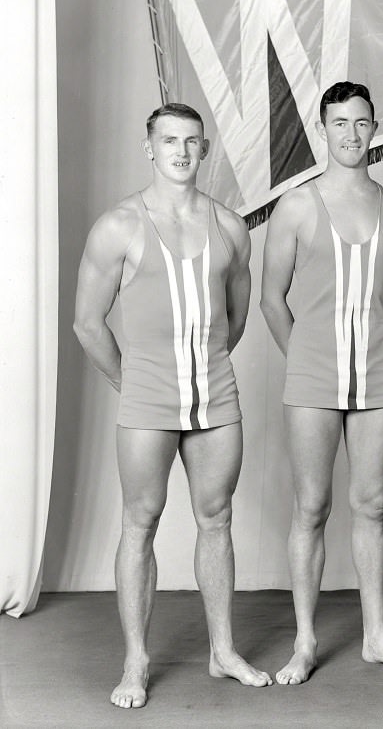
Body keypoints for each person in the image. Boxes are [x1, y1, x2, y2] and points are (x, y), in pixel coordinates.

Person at [73, 103, 272, 708]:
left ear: (205, 149)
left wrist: (201, 366)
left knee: (217, 519)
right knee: (140, 523)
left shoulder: (230, 227)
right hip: (148, 396)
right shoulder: (119, 226)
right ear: (149, 147)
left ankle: (223, 650)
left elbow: (235, 318)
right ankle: (135, 661)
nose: (181, 152)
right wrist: (134, 382)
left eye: (192, 142)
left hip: (215, 391)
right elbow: (87, 324)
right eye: (169, 141)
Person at [260, 81, 383, 683]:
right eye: (340, 123)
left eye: (362, 122)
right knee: (313, 507)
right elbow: (272, 299)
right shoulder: (296, 206)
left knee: (371, 504)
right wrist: (307, 355)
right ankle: (304, 642)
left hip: (378, 375)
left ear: (375, 128)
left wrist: (370, 345)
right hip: (313, 376)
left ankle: (375, 636)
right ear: (323, 129)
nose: (351, 133)